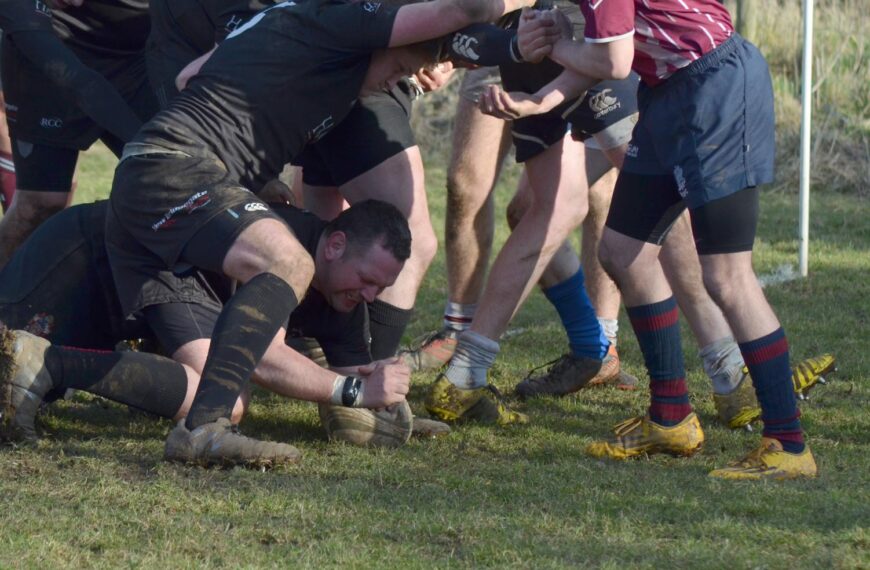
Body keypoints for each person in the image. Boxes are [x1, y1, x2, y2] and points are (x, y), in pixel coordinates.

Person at [100, 0, 533, 467]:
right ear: (381, 38)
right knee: (288, 261)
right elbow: (469, 7)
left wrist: (510, 46)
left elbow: (189, 78)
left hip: (172, 169)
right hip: (174, 169)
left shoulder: (318, 40)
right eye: (402, 69)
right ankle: (209, 429)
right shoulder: (340, 23)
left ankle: (189, 414)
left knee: (231, 369)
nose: (397, 83)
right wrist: (513, 18)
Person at [481, 1, 818, 480]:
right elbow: (604, 59)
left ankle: (788, 444)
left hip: (714, 85)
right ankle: (671, 418)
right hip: (667, 92)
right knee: (623, 252)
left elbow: (613, 62)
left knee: (727, 278)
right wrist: (538, 102)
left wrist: (555, 45)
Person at [0, 199, 425, 460]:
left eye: (380, 288)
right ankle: (50, 362)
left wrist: (390, 408)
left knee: (220, 399)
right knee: (219, 399)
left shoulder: (345, 295)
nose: (370, 295)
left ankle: (52, 364)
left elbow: (355, 384)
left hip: (154, 288)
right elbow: (263, 358)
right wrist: (355, 393)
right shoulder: (286, 247)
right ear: (335, 246)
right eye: (368, 279)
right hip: (84, 261)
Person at [422, 2, 641, 425]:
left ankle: (597, 346)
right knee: (654, 207)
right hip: (560, 39)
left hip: (553, 40)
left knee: (557, 208)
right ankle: (705, 385)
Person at [0, 0, 157, 266]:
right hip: (53, 49)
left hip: (136, 54)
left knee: (168, 183)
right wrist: (147, 143)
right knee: (41, 203)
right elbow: (78, 81)